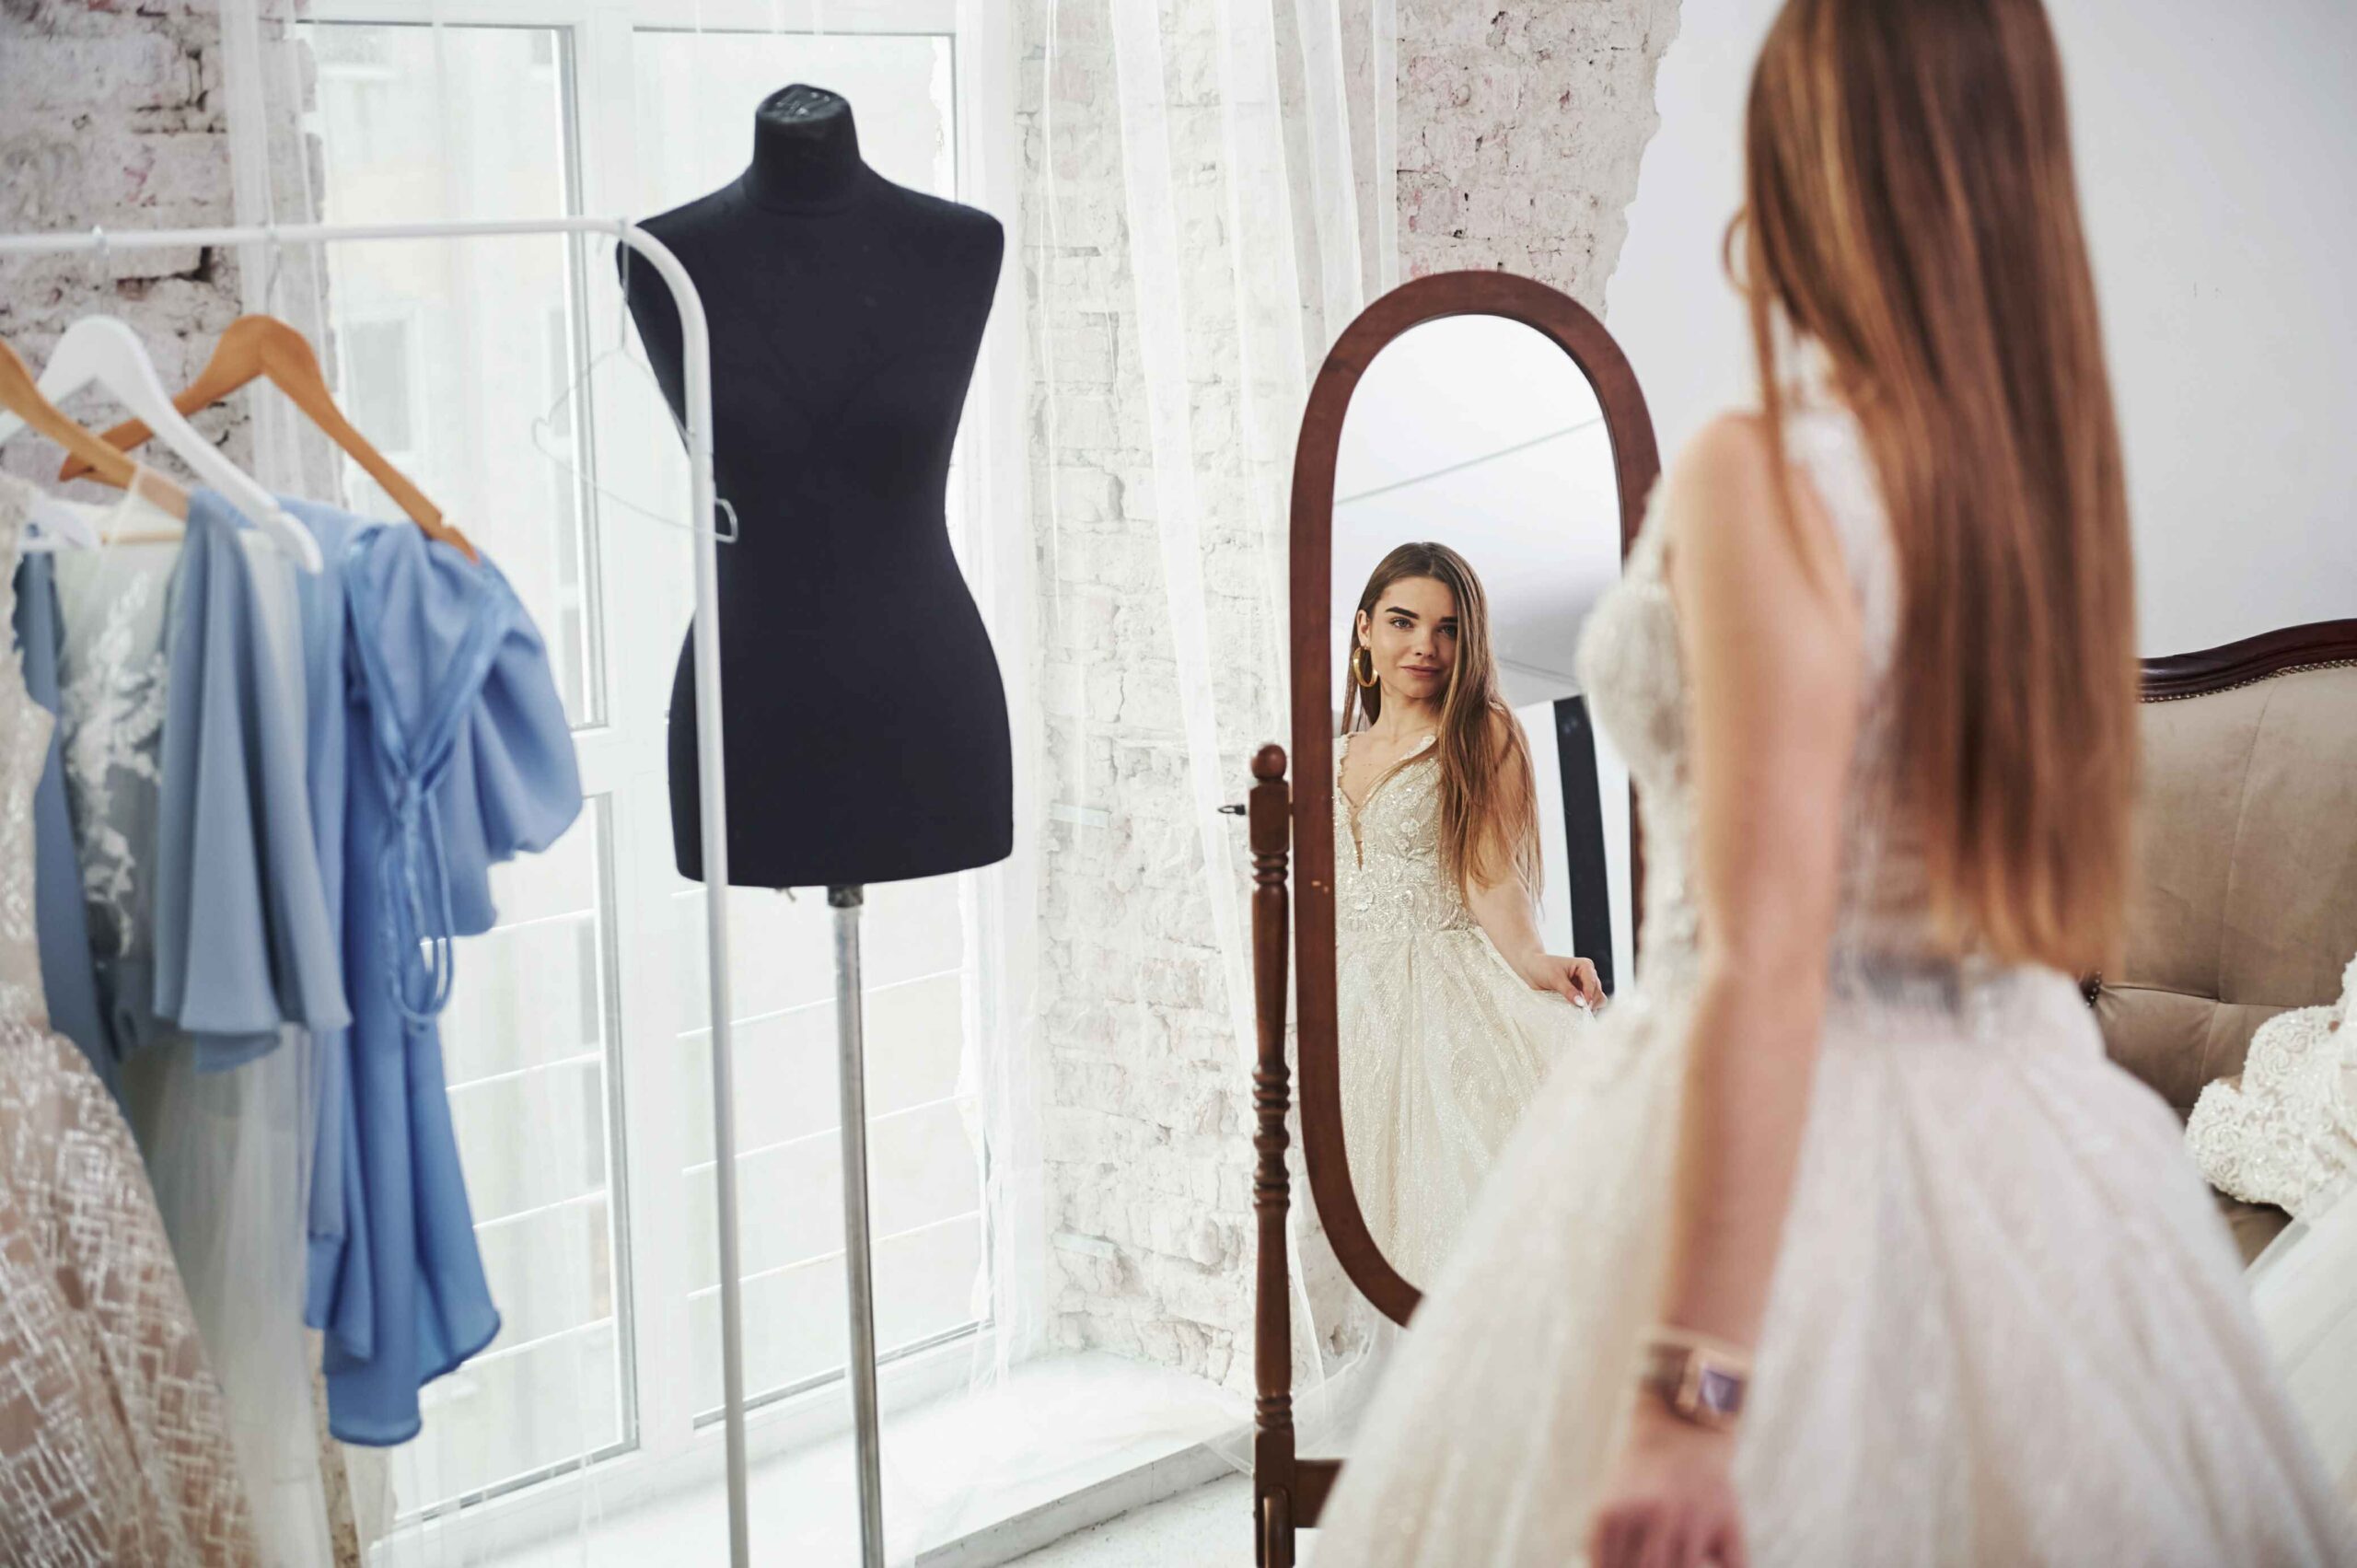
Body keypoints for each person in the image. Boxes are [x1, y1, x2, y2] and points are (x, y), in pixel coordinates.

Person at [1312, 1, 2354, 1562]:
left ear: (1812, 158)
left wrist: (1690, 1391)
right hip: (2026, 1121)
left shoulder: (1764, 476)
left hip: (1775, 1129)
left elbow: (1767, 958)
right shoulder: (2034, 493)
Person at [1335, 541, 1604, 1283]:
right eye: (1403, 621)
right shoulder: (1328, 748)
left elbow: (1492, 877)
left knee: (1452, 1210)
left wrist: (1534, 960)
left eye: (1449, 628)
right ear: (1363, 629)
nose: (1426, 644)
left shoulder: (1481, 731)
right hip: (1340, 1001)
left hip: (1441, 992)